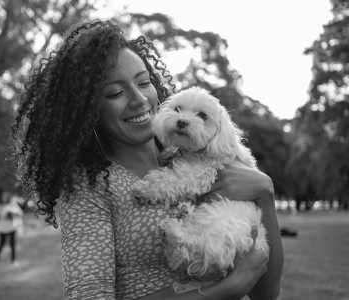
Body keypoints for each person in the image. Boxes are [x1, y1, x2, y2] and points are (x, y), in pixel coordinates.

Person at [14, 20, 283, 300]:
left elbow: (267, 293)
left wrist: (264, 193)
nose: (139, 99)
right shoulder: (88, 188)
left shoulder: (198, 156)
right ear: (86, 111)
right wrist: (227, 289)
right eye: (115, 93)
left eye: (144, 82)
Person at [0, 191, 23, 265]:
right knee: (2, 243)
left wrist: (14, 214)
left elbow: (20, 213)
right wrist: (0, 215)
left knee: (13, 245)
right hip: (3, 228)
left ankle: (13, 260)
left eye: (7, 196)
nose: (5, 198)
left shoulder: (13, 205)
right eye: (4, 197)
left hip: (12, 227)